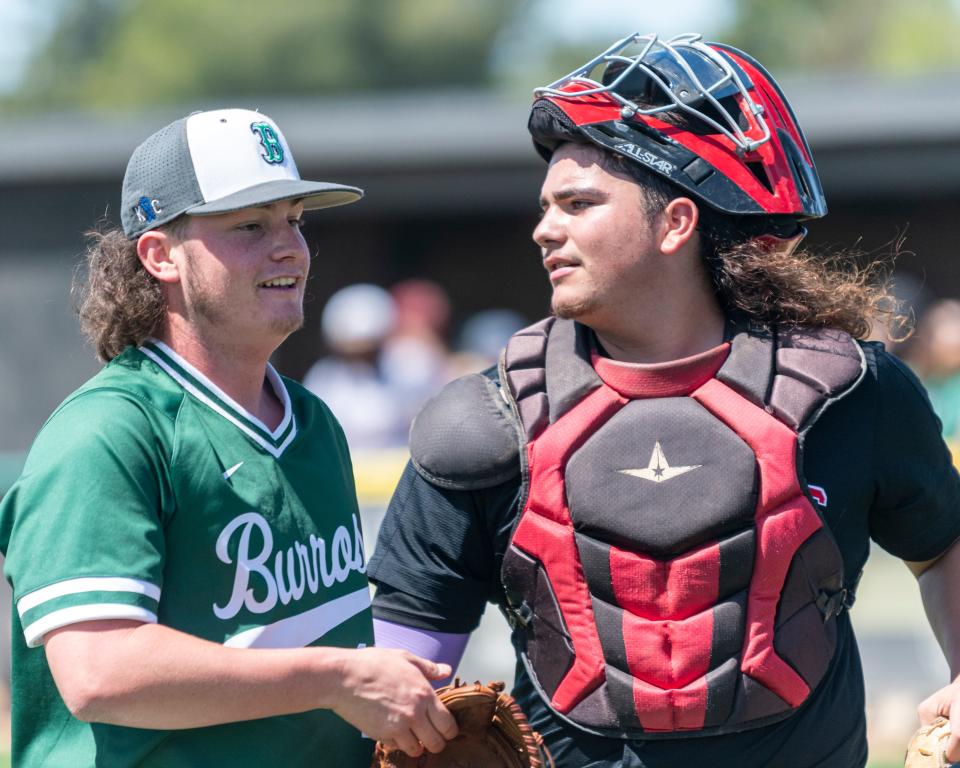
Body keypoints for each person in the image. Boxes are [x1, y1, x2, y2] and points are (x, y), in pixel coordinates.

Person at [367, 33, 960, 767]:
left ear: (676, 222)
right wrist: (396, 722)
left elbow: (944, 547)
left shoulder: (852, 394)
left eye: (578, 203)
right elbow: (401, 675)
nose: (543, 229)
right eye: (546, 206)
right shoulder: (484, 423)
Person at [0, 108, 457, 767]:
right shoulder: (109, 432)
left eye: (295, 220)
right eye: (249, 225)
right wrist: (340, 678)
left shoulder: (312, 421)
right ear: (159, 256)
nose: (289, 248)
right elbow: (100, 671)